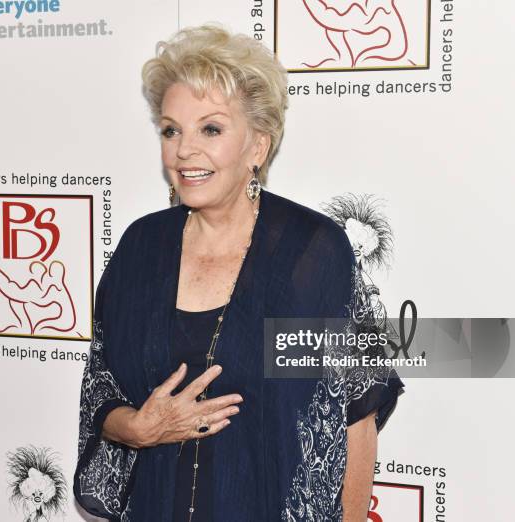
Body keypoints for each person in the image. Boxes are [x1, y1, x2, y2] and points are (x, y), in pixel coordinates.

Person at [73, 24, 404, 522]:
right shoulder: (140, 248)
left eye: (211, 129)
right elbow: (102, 390)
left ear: (258, 147)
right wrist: (138, 429)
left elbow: (355, 415)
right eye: (171, 130)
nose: (184, 150)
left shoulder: (310, 253)